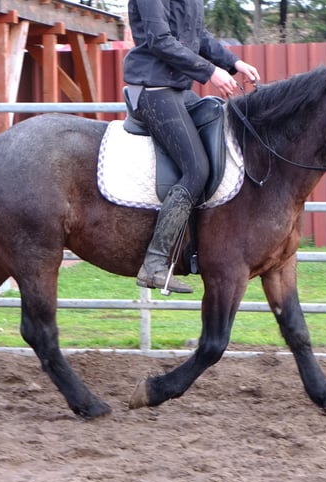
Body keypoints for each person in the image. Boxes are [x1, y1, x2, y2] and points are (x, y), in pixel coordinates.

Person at [123, 0, 260, 294]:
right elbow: (160, 40)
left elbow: (200, 37)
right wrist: (210, 73)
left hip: (178, 92)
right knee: (196, 169)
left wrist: (234, 63)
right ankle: (155, 264)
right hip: (152, 89)